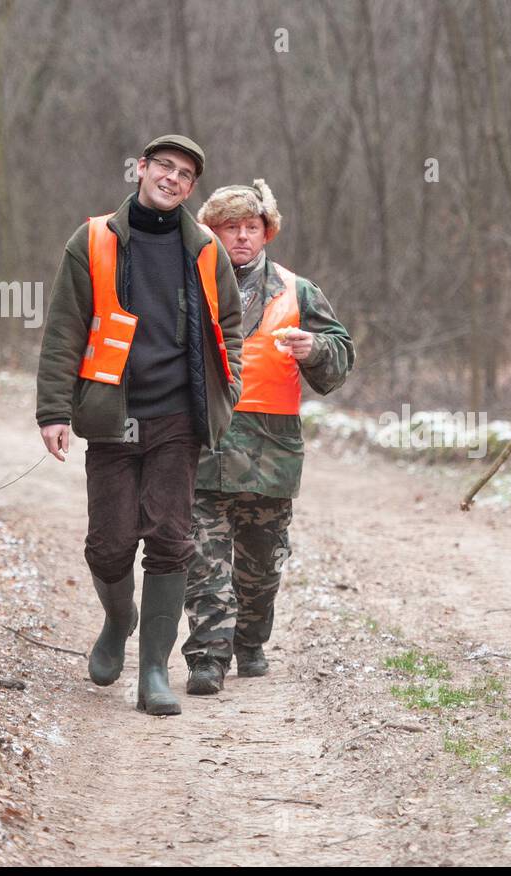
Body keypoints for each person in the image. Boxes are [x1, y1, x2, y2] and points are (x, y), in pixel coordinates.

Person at [35, 134, 244, 717]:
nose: (172, 179)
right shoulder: (95, 239)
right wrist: (53, 410)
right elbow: (63, 332)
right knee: (108, 545)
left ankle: (154, 670)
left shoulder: (205, 249)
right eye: (164, 167)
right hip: (110, 414)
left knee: (170, 541)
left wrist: (229, 389)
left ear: (191, 188)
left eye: (185, 174)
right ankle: (117, 619)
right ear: (142, 169)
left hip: (178, 416)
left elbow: (230, 327)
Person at [182, 179, 354, 694]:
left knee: (261, 566)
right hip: (203, 447)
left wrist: (316, 349)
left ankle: (251, 642)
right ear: (209, 233)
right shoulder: (188, 284)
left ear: (267, 233)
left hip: (270, 455)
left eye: (249, 228)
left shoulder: (298, 291)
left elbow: (342, 355)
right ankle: (206, 660)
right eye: (228, 228)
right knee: (203, 560)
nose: (240, 237)